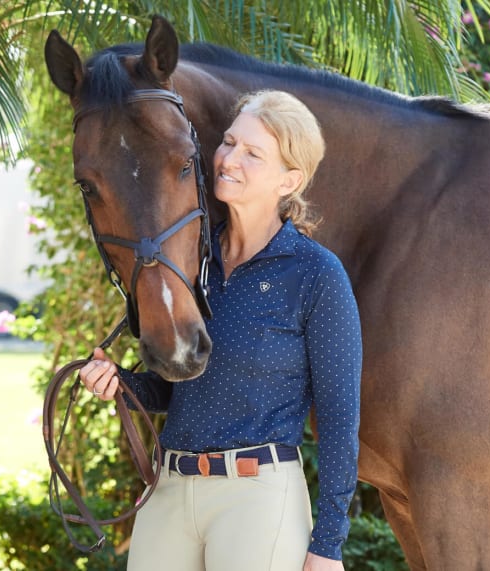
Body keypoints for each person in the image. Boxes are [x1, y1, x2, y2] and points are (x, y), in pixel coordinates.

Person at [79, 90, 362, 571]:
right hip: (168, 490)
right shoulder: (191, 258)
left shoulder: (315, 273)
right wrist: (120, 385)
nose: (229, 158)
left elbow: (338, 416)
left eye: (253, 153)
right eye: (229, 142)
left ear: (289, 180)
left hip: (256, 498)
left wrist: (328, 544)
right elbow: (179, 385)